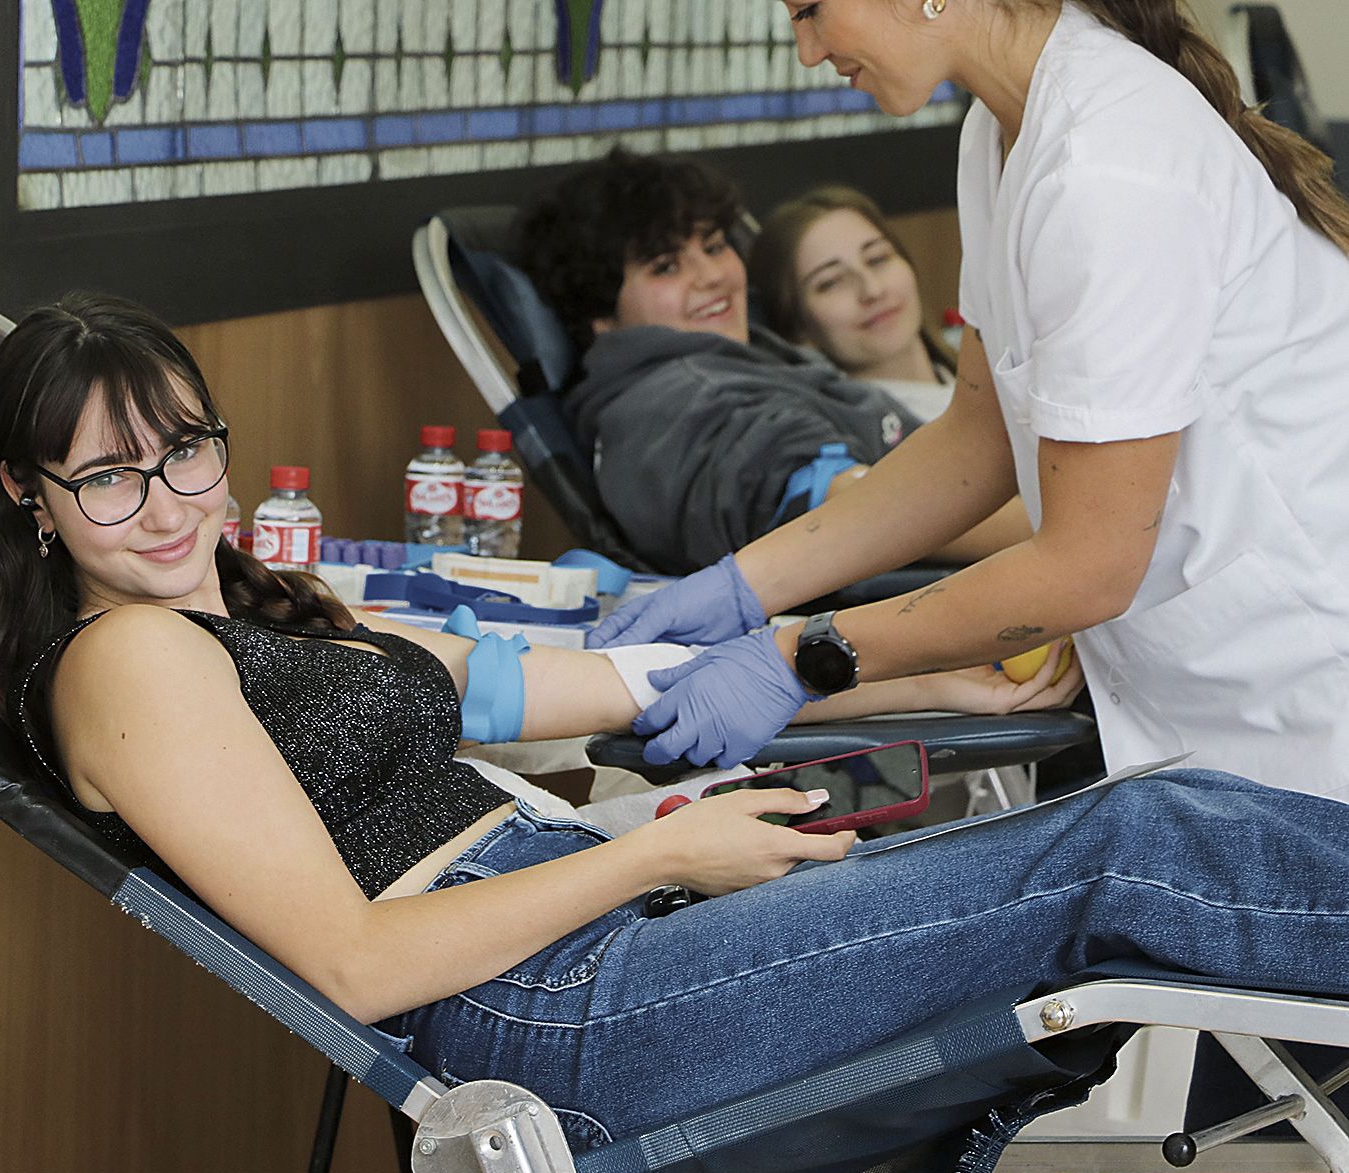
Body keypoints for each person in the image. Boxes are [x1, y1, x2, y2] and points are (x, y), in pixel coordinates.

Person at [0, 294, 1349, 1173]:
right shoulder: (128, 660)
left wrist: (849, 675)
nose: (162, 501)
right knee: (1120, 846)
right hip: (554, 1014)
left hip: (605, 939)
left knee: (1122, 833)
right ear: (29, 491)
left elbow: (609, 684)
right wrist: (648, 857)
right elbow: (357, 963)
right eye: (106, 474)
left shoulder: (279, 617)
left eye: (183, 449)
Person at [590, 0, 1349, 803]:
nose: (807, 50)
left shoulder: (1110, 164)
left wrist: (805, 656)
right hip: (1208, 692)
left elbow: (1088, 568)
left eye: (811, 12)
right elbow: (975, 443)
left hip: (1305, 681)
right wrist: (745, 582)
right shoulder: (1000, 133)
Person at [517, 148, 1026, 574]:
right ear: (599, 314)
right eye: (666, 266)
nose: (712, 276)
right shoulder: (678, 401)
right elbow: (839, 505)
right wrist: (1069, 524)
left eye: (714, 246)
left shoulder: (749, 359)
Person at [749, 184, 959, 423]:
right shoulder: (857, 440)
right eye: (831, 282)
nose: (873, 290)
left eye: (877, 259)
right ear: (797, 328)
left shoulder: (984, 364)